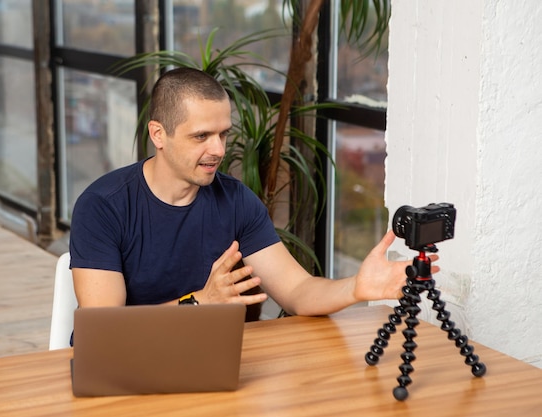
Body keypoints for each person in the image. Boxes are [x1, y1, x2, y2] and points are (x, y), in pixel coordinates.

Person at [69, 67, 438, 317]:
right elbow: (107, 330)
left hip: (210, 361)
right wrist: (200, 302)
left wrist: (357, 289)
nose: (218, 149)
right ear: (158, 135)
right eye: (201, 136)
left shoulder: (235, 200)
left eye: (223, 134)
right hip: (129, 367)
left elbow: (298, 291)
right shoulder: (103, 206)